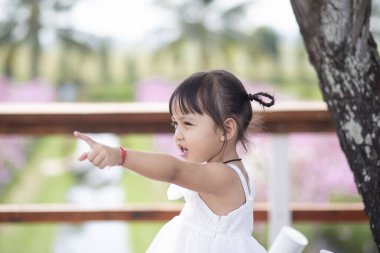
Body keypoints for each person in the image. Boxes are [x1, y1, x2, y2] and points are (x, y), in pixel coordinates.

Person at [74, 70, 274, 253]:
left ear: (226, 130)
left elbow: (174, 170)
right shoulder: (225, 169)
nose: (178, 135)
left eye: (187, 124)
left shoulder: (224, 177)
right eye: (175, 124)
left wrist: (120, 156)